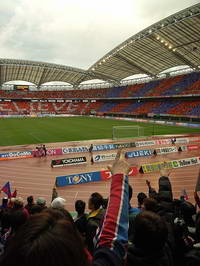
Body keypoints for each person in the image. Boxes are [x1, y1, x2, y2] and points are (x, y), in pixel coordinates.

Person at [0, 149, 130, 266]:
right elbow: (112, 239)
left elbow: (111, 241)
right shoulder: (87, 226)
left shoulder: (9, 246)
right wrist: (119, 177)